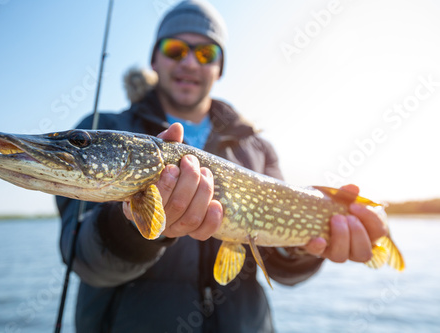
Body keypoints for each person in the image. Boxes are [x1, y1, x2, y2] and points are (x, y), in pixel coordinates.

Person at [56, 1, 387, 332]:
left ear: (220, 66)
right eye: (175, 49)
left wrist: (307, 249)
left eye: (205, 54)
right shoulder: (103, 127)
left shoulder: (256, 149)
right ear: (154, 58)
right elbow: (85, 261)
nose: (189, 62)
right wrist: (136, 225)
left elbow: (281, 267)